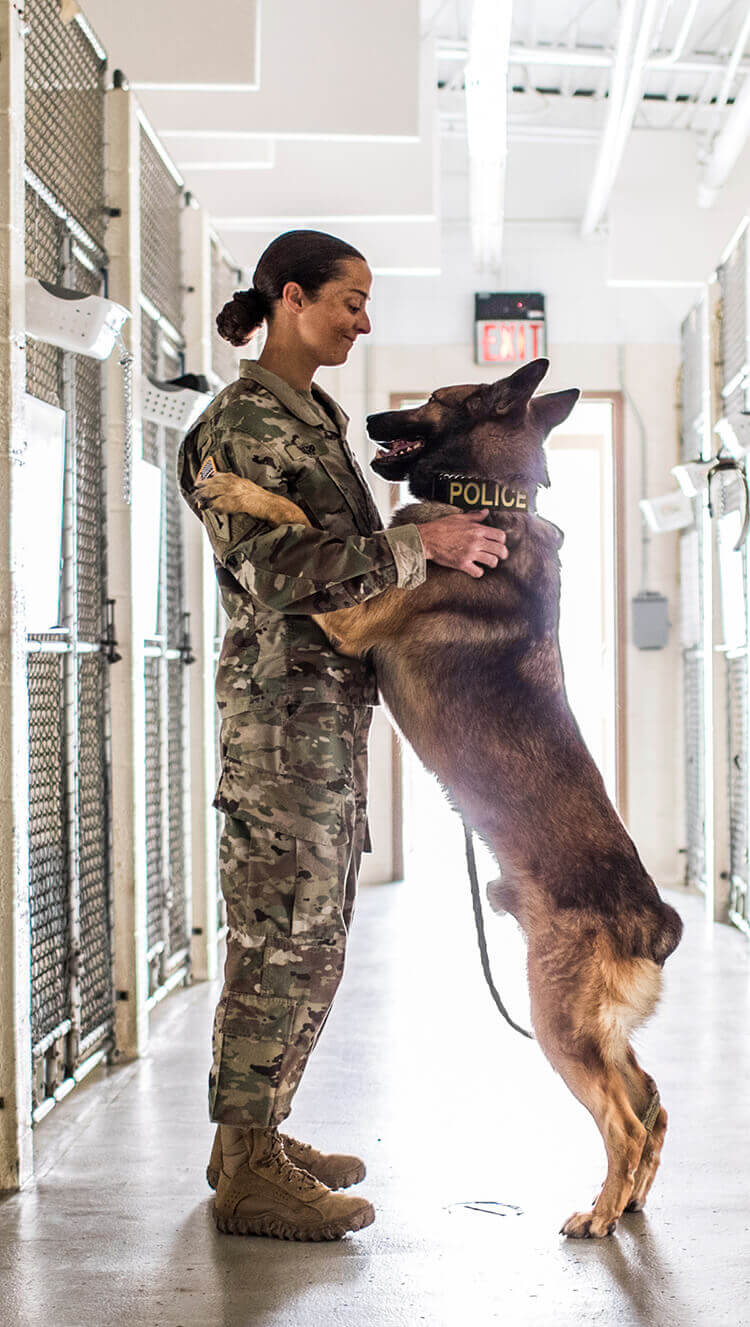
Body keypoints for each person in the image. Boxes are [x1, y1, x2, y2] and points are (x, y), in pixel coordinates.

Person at [178, 230, 509, 1241]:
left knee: (313, 938)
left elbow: (341, 561)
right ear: (291, 298)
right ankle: (246, 1169)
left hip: (322, 718)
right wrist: (423, 544)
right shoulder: (243, 425)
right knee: (282, 939)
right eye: (349, 301)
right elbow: (282, 571)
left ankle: (258, 1134)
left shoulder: (312, 418)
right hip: (281, 724)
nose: (364, 321)